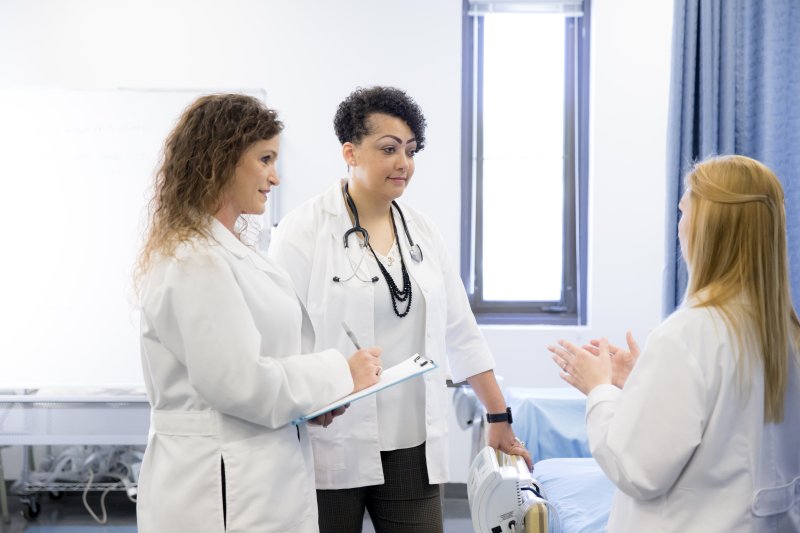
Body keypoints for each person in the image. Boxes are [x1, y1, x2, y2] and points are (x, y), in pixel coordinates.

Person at [268, 86, 530, 533]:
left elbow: (461, 330)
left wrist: (498, 415)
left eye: (410, 150)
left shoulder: (422, 231)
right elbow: (277, 336)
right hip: (331, 440)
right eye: (388, 149)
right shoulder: (303, 230)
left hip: (412, 445)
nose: (403, 163)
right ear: (350, 152)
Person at [134, 94, 382, 533]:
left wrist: (315, 404)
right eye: (265, 159)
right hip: (220, 489)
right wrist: (339, 375)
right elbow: (240, 383)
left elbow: (264, 363)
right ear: (221, 160)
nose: (275, 176)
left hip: (252, 473)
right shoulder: (196, 260)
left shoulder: (227, 250)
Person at [548, 155, 800, 532]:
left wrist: (599, 389)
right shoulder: (786, 332)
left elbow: (634, 468)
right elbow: (731, 428)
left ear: (707, 227)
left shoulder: (687, 335)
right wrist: (643, 380)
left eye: (684, 211)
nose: (679, 226)